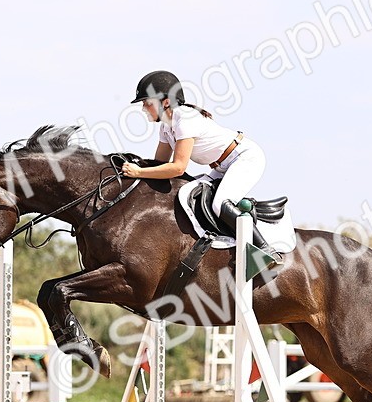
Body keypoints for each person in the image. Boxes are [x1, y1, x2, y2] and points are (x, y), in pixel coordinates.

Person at [120, 70, 281, 264]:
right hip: (222, 166)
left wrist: (138, 172)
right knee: (190, 193)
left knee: (220, 203)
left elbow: (178, 168)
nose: (143, 108)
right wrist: (133, 168)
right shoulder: (165, 126)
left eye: (147, 103)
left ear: (165, 102)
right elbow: (159, 165)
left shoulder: (184, 119)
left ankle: (265, 251)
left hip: (245, 158)